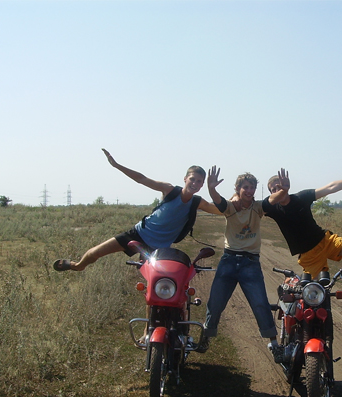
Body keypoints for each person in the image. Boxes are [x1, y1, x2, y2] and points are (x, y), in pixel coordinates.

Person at [53, 149, 220, 271]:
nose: (195, 184)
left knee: (155, 285)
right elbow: (141, 179)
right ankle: (77, 266)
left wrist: (237, 200)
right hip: (137, 234)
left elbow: (221, 210)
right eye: (193, 179)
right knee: (96, 253)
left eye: (200, 182)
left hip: (158, 248)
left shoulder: (198, 202)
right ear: (185, 178)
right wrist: (116, 165)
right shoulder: (169, 190)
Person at [196, 167, 284, 363]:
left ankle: (274, 344)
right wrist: (211, 188)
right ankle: (206, 337)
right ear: (238, 188)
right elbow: (218, 201)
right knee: (216, 303)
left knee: (260, 303)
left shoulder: (259, 207)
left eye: (252, 187)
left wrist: (284, 189)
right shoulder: (230, 207)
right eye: (245, 187)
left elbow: (274, 199)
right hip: (228, 260)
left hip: (250, 263)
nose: (249, 191)